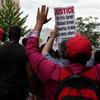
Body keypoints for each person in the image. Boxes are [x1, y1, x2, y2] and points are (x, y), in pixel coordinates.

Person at [26, 5, 100, 100]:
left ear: (66, 53)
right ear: (90, 55)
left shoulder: (52, 72)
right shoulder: (97, 73)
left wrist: (39, 23)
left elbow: (31, 50)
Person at [0, 26, 29, 100]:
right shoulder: (25, 51)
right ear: (19, 36)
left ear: (9, 35)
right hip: (19, 90)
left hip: (3, 88)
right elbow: (29, 73)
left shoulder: (1, 48)